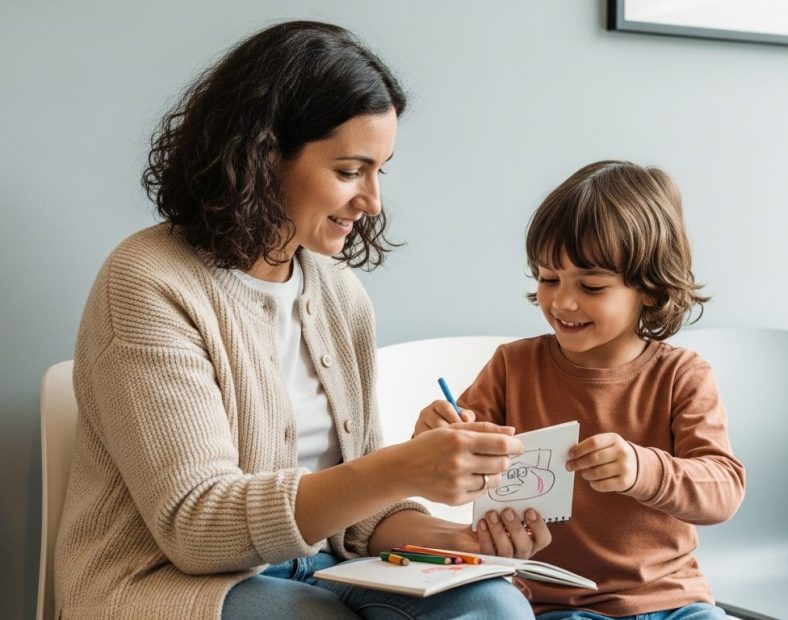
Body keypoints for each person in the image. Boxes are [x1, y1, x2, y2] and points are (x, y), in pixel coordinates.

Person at [56, 21, 549, 620]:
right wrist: (399, 468)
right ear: (263, 156)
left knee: (494, 606)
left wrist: (464, 543)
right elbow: (196, 526)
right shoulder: (148, 281)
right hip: (167, 583)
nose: (372, 201)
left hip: (322, 569)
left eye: (379, 171)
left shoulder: (340, 294)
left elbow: (360, 520)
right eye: (349, 171)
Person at [414, 161, 746, 619]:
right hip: (559, 605)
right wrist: (435, 436)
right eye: (549, 279)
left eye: (591, 286)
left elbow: (724, 489)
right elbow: (449, 469)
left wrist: (641, 470)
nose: (562, 302)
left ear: (649, 289)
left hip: (675, 602)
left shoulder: (681, 375)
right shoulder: (514, 366)